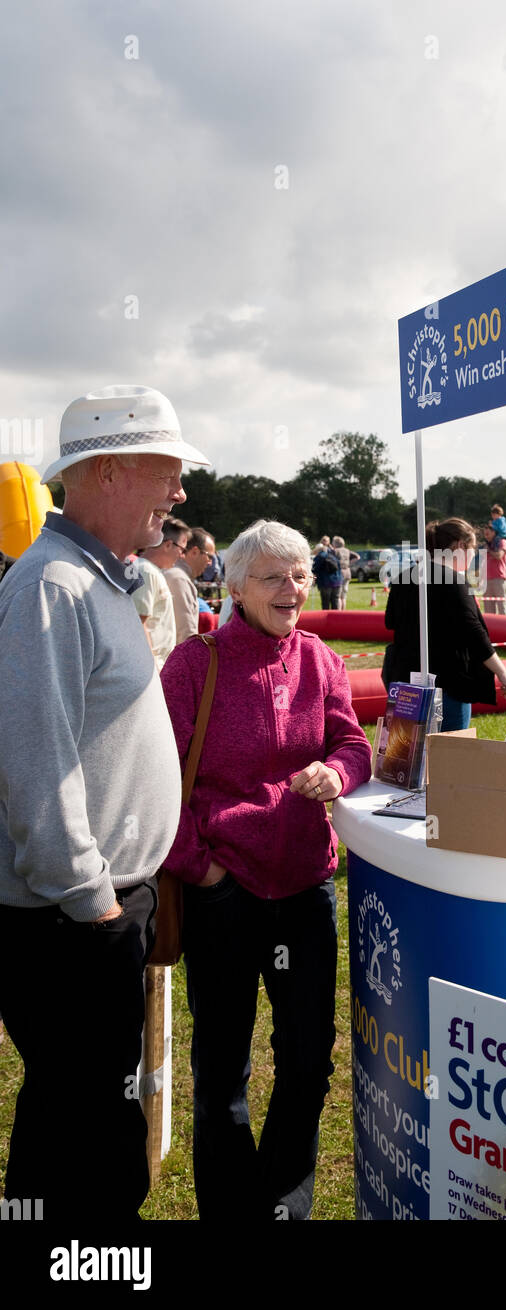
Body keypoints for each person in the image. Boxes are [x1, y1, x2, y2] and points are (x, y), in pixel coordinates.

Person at [0, 384, 209, 1218]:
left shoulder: (98, 582)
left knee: (71, 1123)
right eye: (168, 470)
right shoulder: (52, 589)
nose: (181, 493)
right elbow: (32, 763)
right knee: (88, 1139)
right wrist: (95, 906)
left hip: (93, 909)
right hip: (71, 920)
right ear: (113, 470)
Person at [160, 520, 372, 1221]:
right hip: (225, 894)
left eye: (301, 575)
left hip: (307, 887)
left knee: (309, 1060)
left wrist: (335, 772)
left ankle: (282, 1203)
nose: (292, 589)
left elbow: (352, 742)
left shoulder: (320, 659)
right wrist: (203, 869)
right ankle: (228, 1210)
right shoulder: (195, 664)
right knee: (222, 1069)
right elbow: (157, 779)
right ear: (238, 585)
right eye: (274, 577)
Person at [384, 517, 506, 731]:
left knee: (407, 760)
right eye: (473, 548)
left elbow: (389, 621)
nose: (474, 555)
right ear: (460, 546)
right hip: (448, 686)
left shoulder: (402, 579)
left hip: (406, 685)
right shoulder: (454, 582)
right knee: (449, 757)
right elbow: (474, 633)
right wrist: (502, 672)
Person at [132, 528, 181, 668]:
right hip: (152, 668)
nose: (182, 555)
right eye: (182, 549)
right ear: (168, 545)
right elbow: (138, 623)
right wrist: (153, 670)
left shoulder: (150, 570)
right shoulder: (146, 571)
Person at [164, 524, 216, 642]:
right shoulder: (179, 579)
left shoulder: (174, 574)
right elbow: (186, 634)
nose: (210, 563)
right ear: (194, 552)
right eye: (209, 557)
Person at [481, 521, 506, 615]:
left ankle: (505, 627)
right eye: (485, 534)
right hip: (486, 579)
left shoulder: (502, 542)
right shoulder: (486, 544)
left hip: (498, 578)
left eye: (488, 533)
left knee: (502, 608)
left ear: (494, 532)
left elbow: (499, 555)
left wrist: (489, 551)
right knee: (488, 610)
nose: (486, 536)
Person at [312, 537, 342, 610]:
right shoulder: (333, 553)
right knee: (335, 602)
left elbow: (315, 569)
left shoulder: (319, 556)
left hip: (325, 582)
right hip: (337, 581)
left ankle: (327, 621)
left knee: (325, 603)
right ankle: (336, 619)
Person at [332, 535, 359, 611]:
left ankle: (339, 613)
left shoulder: (336, 551)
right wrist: (349, 563)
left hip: (339, 573)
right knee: (344, 596)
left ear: (335, 543)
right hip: (347, 573)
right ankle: (344, 612)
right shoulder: (347, 550)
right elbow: (357, 557)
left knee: (338, 596)